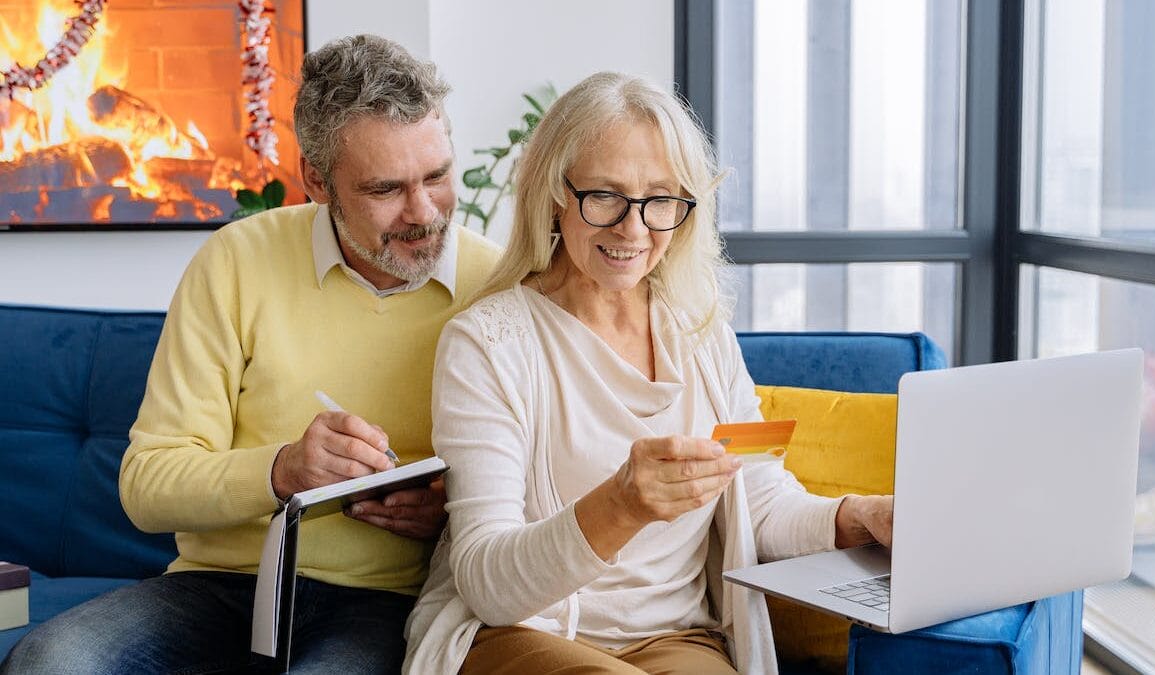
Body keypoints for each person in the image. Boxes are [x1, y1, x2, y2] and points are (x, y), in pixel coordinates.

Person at [0, 35, 500, 674]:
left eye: (437, 175)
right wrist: (285, 470)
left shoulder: (499, 284)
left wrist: (448, 515)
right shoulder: (235, 260)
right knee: (49, 662)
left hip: (384, 602)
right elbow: (146, 486)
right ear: (316, 181)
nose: (425, 213)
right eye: (386, 189)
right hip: (218, 587)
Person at [403, 72, 894, 675]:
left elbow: (760, 502)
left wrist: (856, 516)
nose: (633, 230)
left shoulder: (702, 332)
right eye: (605, 196)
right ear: (555, 192)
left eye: (660, 199)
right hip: (519, 634)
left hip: (676, 639)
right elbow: (486, 583)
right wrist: (621, 506)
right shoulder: (489, 343)